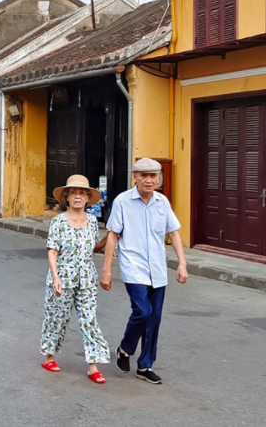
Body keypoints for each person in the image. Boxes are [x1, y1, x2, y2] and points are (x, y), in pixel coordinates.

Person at [101, 158, 188, 385]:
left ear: (158, 178)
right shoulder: (123, 202)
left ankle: (145, 365)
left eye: (153, 176)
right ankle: (125, 348)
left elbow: (174, 233)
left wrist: (182, 264)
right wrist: (106, 271)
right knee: (143, 311)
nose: (149, 180)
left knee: (154, 318)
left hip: (157, 269)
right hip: (134, 267)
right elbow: (113, 235)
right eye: (143, 176)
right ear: (135, 178)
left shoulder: (162, 202)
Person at [40, 174, 111, 384]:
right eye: (73, 193)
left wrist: (107, 238)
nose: (78, 197)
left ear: (88, 198)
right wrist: (55, 277)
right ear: (67, 198)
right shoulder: (58, 222)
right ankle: (50, 356)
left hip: (87, 279)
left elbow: (93, 248)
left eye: (82, 193)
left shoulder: (91, 221)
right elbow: (52, 250)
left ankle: (93, 366)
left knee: (89, 320)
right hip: (62, 278)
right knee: (57, 318)